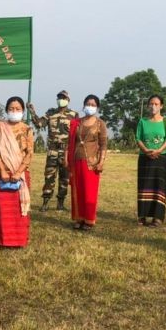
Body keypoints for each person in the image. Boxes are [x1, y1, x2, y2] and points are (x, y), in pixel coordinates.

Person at [0, 96, 34, 247]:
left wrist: (18, 172)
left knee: (18, 209)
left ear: (23, 111)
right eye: (11, 109)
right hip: (0, 173)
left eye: (18, 109)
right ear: (7, 110)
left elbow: (29, 153)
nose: (14, 111)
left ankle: (18, 240)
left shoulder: (27, 129)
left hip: (19, 174)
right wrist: (2, 170)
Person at [65, 94, 108, 231]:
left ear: (97, 107)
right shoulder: (76, 123)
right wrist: (66, 159)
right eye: (88, 104)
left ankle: (89, 220)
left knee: (89, 192)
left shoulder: (100, 124)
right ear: (84, 106)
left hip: (92, 163)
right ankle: (79, 218)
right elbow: (69, 142)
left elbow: (103, 145)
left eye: (93, 105)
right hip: (76, 161)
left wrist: (101, 162)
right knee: (77, 191)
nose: (90, 107)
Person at [29, 90, 77, 211]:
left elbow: (76, 133)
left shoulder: (73, 115)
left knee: (64, 178)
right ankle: (45, 202)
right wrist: (32, 111)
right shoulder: (50, 113)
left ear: (68, 100)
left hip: (66, 152)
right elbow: (39, 124)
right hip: (52, 151)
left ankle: (60, 203)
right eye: (60, 97)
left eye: (64, 98)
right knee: (49, 177)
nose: (61, 99)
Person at [136, 94, 166, 227]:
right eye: (151, 104)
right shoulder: (142, 121)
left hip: (161, 158)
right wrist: (146, 150)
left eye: (156, 104)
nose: (153, 106)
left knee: (159, 187)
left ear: (161, 106)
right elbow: (138, 138)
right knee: (144, 186)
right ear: (147, 106)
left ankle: (157, 218)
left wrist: (158, 151)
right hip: (144, 158)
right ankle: (142, 216)